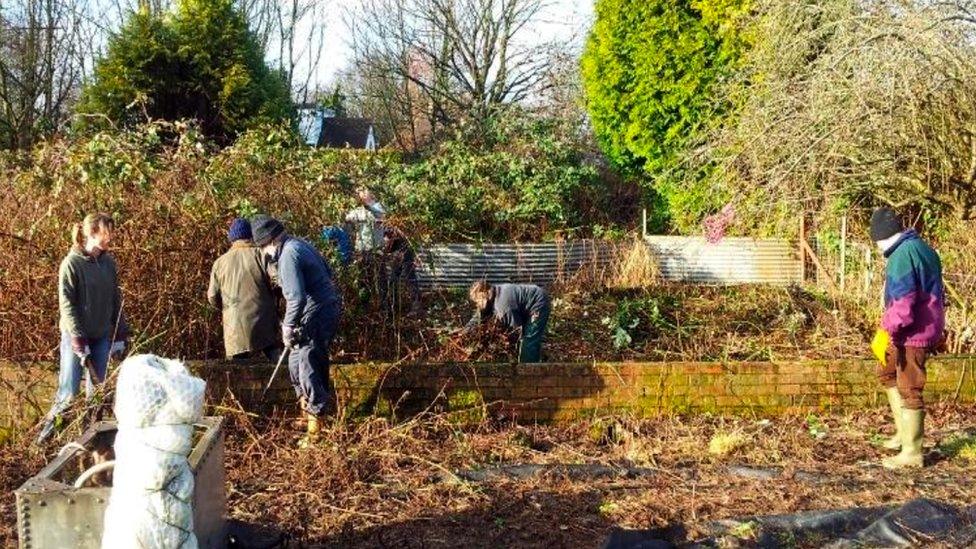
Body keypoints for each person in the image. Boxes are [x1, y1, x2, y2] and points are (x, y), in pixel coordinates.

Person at [251, 215, 342, 447]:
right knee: (295, 361)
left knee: (307, 363)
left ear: (269, 242)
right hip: (321, 310)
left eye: (262, 247)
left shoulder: (289, 255)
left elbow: (296, 296)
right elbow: (328, 275)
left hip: (316, 314)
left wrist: (288, 326)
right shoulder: (300, 245)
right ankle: (307, 413)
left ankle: (316, 428)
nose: (264, 253)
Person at [37, 213, 127, 443]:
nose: (110, 237)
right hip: (75, 337)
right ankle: (44, 441)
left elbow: (115, 298)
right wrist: (77, 339)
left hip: (101, 337)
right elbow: (66, 305)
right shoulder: (71, 264)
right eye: (106, 232)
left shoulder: (108, 263)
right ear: (91, 233)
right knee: (68, 395)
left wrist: (119, 333)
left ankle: (91, 442)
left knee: (96, 396)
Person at [871, 207, 946, 469]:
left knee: (910, 386)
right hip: (918, 327)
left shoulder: (902, 255)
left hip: (912, 332)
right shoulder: (922, 248)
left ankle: (912, 452)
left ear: (880, 237)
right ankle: (903, 434)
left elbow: (903, 304)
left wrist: (886, 331)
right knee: (887, 372)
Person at [207, 218, 281, 362]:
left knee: (236, 371)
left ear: (232, 239)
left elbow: (212, 297)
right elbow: (278, 280)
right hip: (264, 322)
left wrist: (226, 309)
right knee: (278, 363)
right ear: (251, 236)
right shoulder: (261, 254)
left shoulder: (219, 263)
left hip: (234, 328)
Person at [462, 281, 550, 363]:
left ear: (484, 295)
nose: (478, 305)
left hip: (538, 302)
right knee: (529, 341)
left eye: (478, 301)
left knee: (528, 340)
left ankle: (528, 372)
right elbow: (479, 317)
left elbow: (515, 331)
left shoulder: (503, 307)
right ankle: (539, 357)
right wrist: (464, 332)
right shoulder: (494, 293)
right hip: (524, 305)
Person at [345, 188, 386, 299]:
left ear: (371, 194)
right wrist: (353, 217)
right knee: (363, 280)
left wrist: (360, 216)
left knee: (380, 281)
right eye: (360, 192)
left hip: (376, 251)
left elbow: (377, 215)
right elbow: (348, 217)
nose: (361, 194)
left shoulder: (379, 207)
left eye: (364, 191)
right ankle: (365, 305)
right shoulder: (358, 210)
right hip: (362, 251)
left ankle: (385, 309)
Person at [383, 225, 422, 316]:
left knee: (410, 278)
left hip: (405, 253)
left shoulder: (395, 226)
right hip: (398, 254)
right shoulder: (387, 226)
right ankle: (393, 305)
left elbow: (391, 241)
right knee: (393, 279)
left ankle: (416, 306)